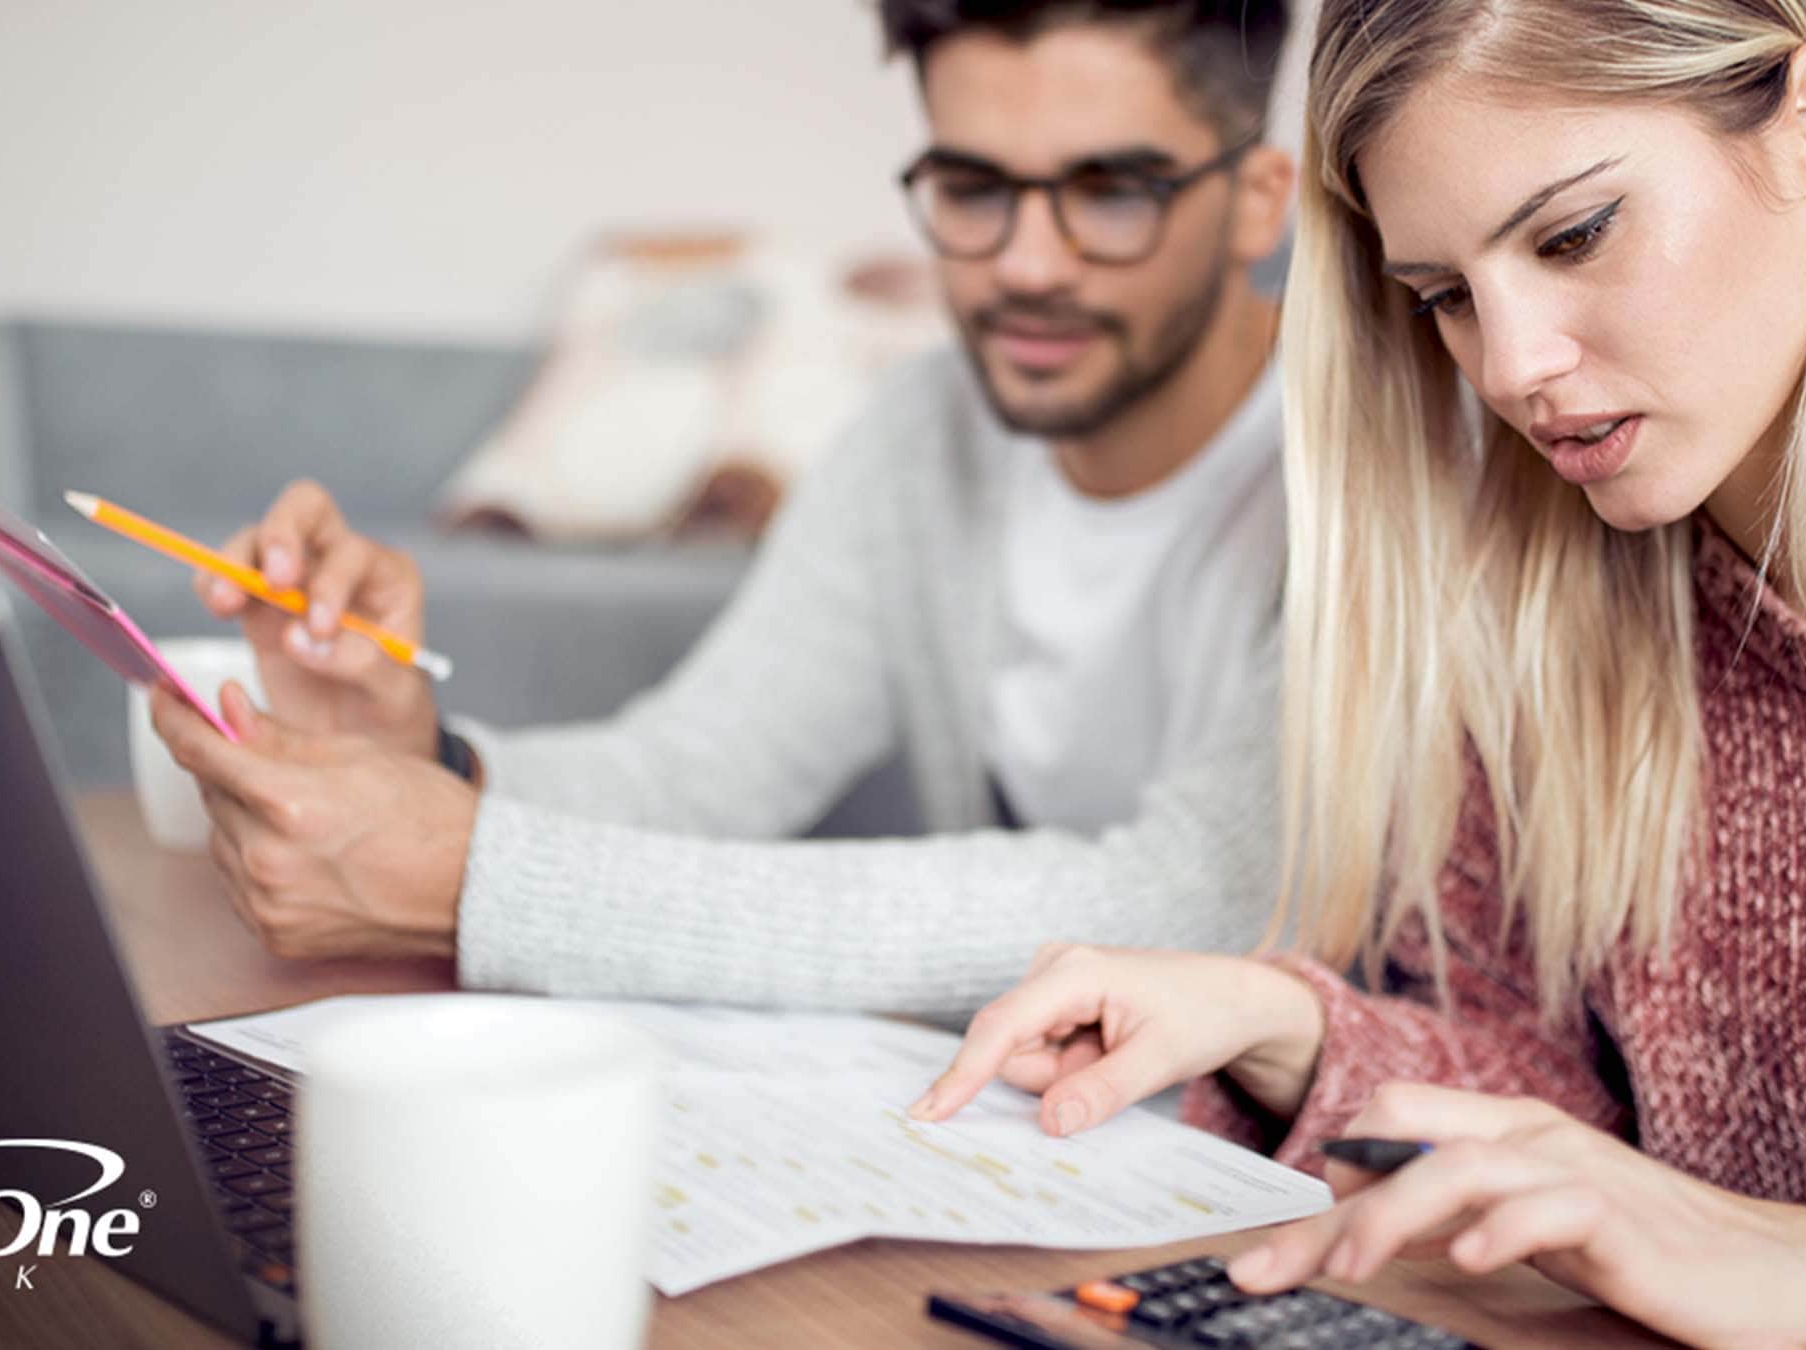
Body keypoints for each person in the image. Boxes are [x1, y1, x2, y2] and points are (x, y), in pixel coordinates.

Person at [913, 0, 1806, 1342]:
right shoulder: (1560, 591)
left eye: (1575, 233)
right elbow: (1572, 1120)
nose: (1514, 369)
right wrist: (1279, 1019)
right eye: (1446, 297)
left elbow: (1690, 1217)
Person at [147, 0, 1301, 1017]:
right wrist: (424, 758)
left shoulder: (1365, 472)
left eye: (1112, 194)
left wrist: (481, 883)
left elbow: (1187, 905)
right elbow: (700, 774)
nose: (1027, 265)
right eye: (973, 189)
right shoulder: (923, 430)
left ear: (1258, 201)